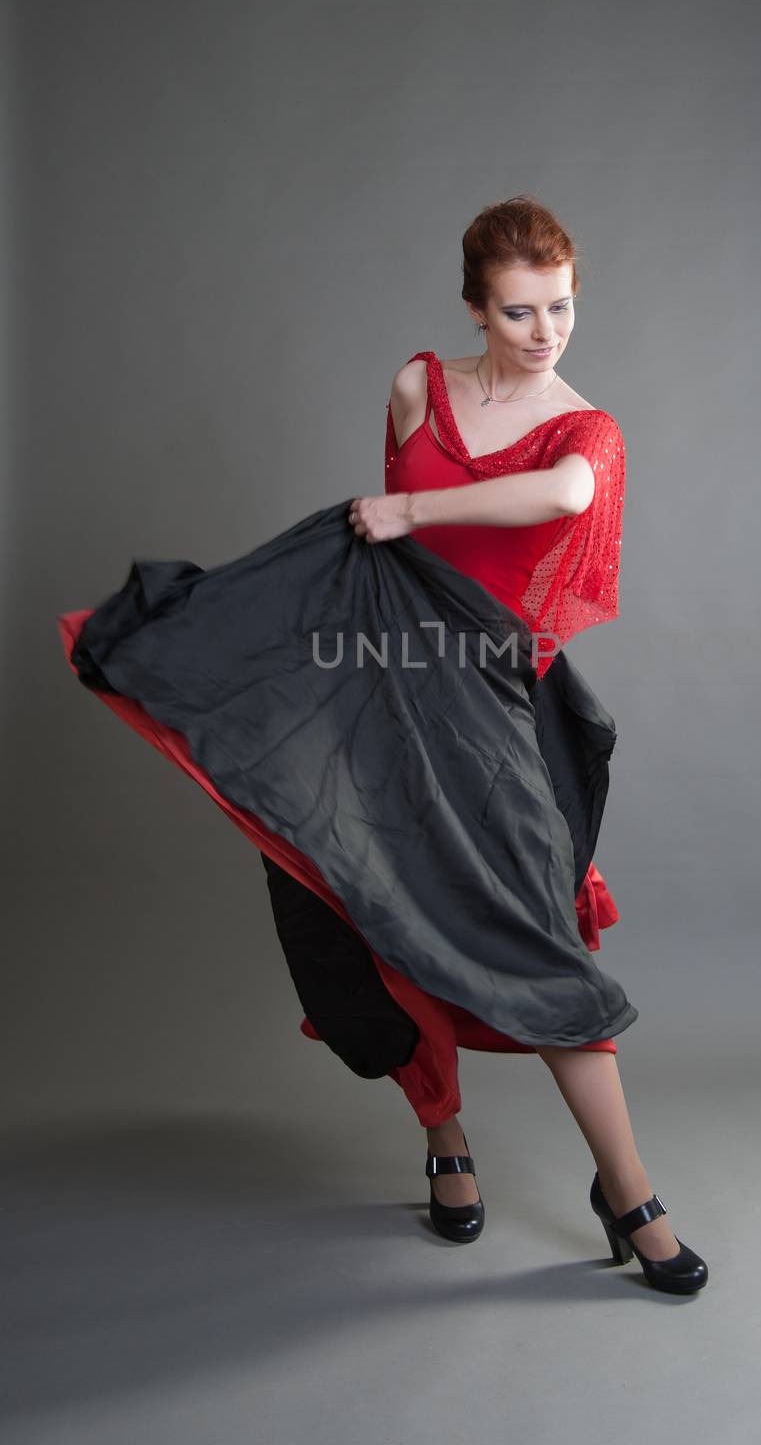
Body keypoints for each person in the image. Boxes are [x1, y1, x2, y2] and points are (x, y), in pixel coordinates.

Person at [56, 194, 707, 1295]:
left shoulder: (584, 431)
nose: (544, 331)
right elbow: (376, 575)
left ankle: (628, 1190)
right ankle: (445, 1143)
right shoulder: (415, 386)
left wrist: (409, 517)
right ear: (472, 306)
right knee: (356, 911)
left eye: (561, 308)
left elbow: (563, 493)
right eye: (517, 311)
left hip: (487, 716)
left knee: (535, 937)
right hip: (368, 697)